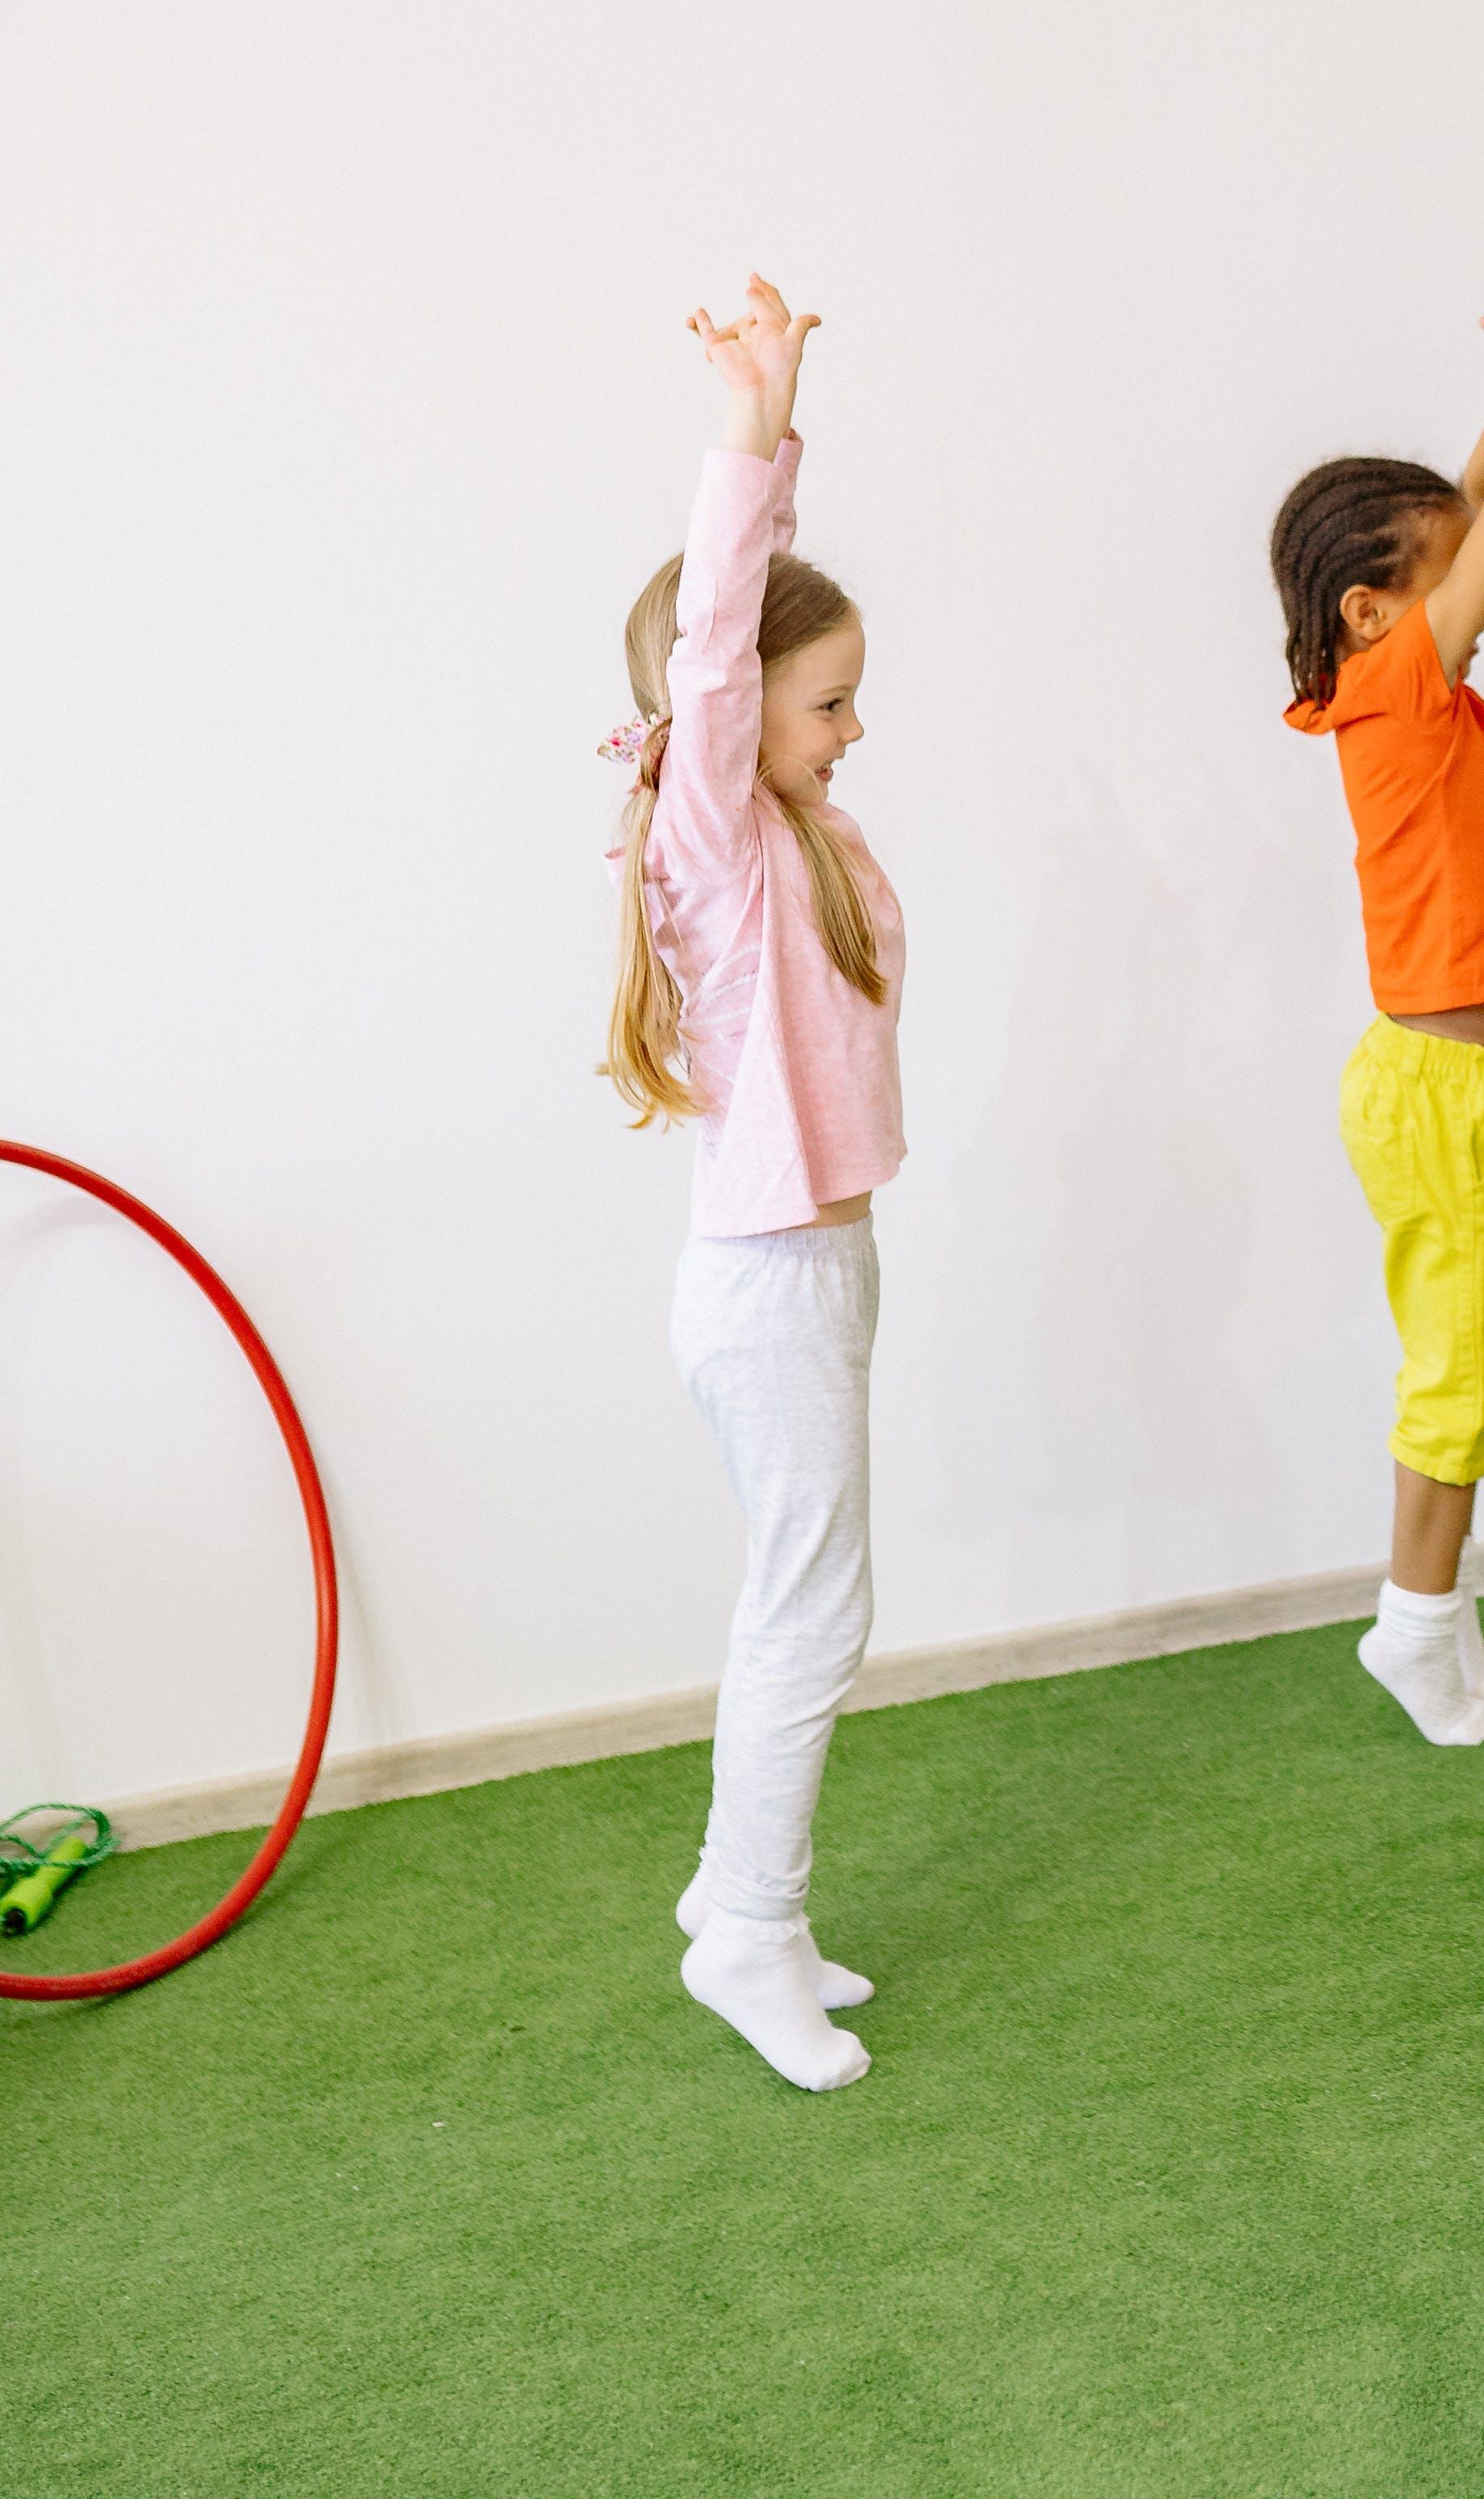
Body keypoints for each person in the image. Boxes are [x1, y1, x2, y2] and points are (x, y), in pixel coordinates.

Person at [602, 274, 904, 2092]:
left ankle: (749, 1909)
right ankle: (746, 1930)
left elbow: (749, 658)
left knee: (816, 1599)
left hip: (825, 1261)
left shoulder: (807, 831)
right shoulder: (711, 841)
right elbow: (714, 649)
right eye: (831, 700)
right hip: (770, 1280)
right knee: (812, 1611)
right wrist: (753, 430)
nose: (851, 725)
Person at [1269, 246, 1484, 1745]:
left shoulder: (1400, 687)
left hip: (1455, 1083)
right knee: (1461, 1374)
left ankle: (1439, 1625)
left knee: (1476, 1362)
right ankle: (1411, 1628)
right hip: (1445, 1092)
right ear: (1367, 611)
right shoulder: (1396, 693)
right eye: (1437, 582)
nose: (1472, 593)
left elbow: (1475, 501)